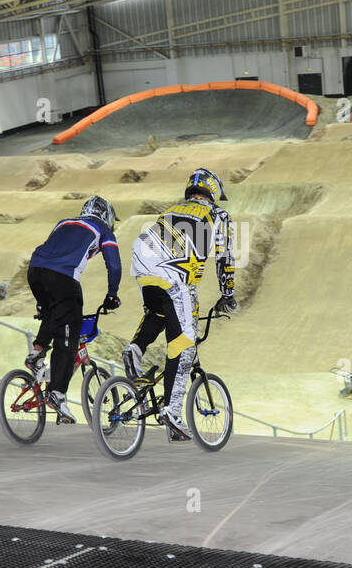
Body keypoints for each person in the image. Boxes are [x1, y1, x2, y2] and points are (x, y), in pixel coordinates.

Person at [122, 168, 237, 440]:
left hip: (143, 265)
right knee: (184, 344)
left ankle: (135, 348)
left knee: (160, 311)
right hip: (171, 273)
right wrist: (228, 294)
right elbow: (225, 258)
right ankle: (172, 411)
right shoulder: (218, 215)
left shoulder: (172, 210)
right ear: (215, 191)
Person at [25, 196, 122, 423]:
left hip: (35, 271)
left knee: (52, 311)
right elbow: (114, 265)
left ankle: (37, 353)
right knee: (68, 336)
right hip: (63, 277)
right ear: (107, 215)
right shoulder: (103, 230)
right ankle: (57, 393)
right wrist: (112, 294)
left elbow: (51, 249)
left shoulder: (64, 222)